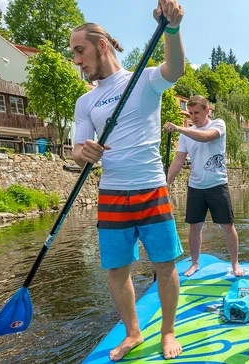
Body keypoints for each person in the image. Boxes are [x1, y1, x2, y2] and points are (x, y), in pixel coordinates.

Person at [70, 1, 186, 360]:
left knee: (164, 266)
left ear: (101, 46)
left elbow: (176, 69)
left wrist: (172, 29)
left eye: (80, 50)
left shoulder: (144, 80)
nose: (76, 60)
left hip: (151, 187)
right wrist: (84, 153)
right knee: (116, 270)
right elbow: (76, 151)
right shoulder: (84, 102)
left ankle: (167, 331)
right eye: (73, 53)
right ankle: (133, 333)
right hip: (112, 192)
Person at [164, 95, 244, 277]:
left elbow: (207, 137)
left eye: (197, 113)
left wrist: (179, 129)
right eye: (190, 113)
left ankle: (235, 264)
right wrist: (166, 183)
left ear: (207, 111)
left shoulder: (218, 124)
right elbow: (178, 160)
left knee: (227, 226)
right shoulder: (186, 135)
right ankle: (195, 263)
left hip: (217, 185)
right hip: (195, 187)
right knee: (195, 226)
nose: (193, 117)